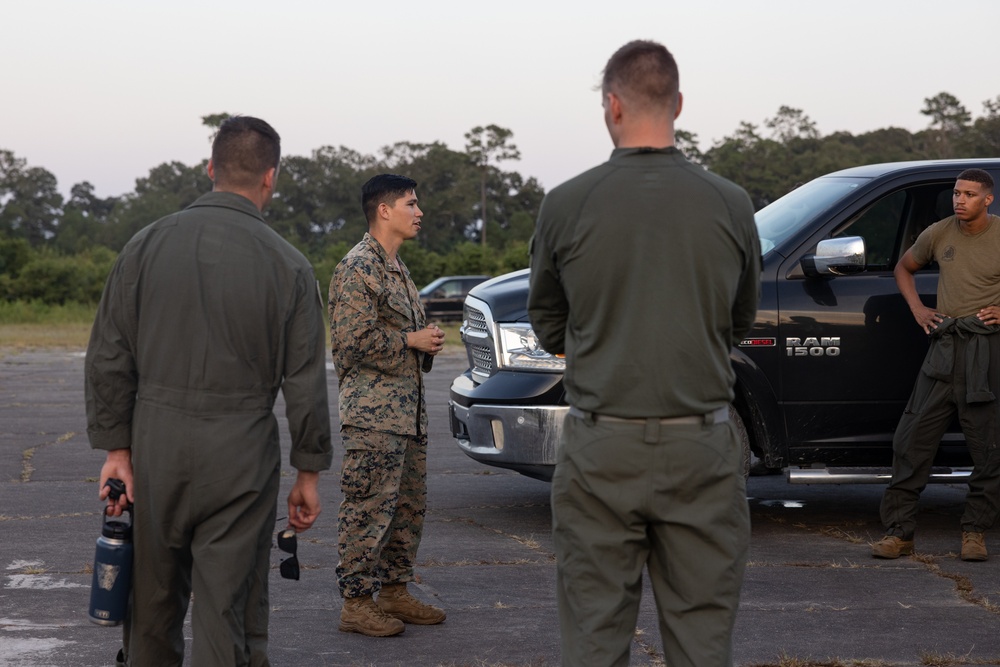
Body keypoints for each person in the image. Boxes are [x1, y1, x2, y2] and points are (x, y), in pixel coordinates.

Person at [528, 40, 761, 667]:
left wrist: (604, 347)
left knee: (595, 639)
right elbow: (737, 322)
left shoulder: (567, 204)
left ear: (611, 106)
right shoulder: (731, 203)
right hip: (703, 445)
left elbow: (548, 318)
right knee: (703, 640)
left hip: (601, 446)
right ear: (679, 103)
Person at [85, 116, 333, 666]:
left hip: (155, 449)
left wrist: (117, 452)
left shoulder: (143, 247)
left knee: (149, 607)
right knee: (228, 609)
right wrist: (308, 473)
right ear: (271, 177)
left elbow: (108, 358)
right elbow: (305, 384)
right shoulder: (290, 266)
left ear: (210, 168)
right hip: (240, 455)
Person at [329, 173, 447, 637]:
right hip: (374, 417)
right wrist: (410, 339)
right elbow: (349, 341)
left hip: (407, 415)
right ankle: (356, 603)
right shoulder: (359, 267)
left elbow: (399, 337)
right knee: (367, 507)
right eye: (411, 204)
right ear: (384, 210)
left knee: (406, 508)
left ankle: (394, 591)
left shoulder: (397, 268)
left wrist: (425, 343)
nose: (419, 213)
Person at [873, 168, 1000, 562]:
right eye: (956, 193)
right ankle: (899, 534)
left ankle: (974, 532)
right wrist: (917, 309)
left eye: (969, 194)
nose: (959, 200)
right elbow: (903, 268)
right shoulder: (939, 232)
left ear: (988, 199)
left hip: (986, 351)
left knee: (988, 449)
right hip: (943, 348)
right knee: (910, 440)